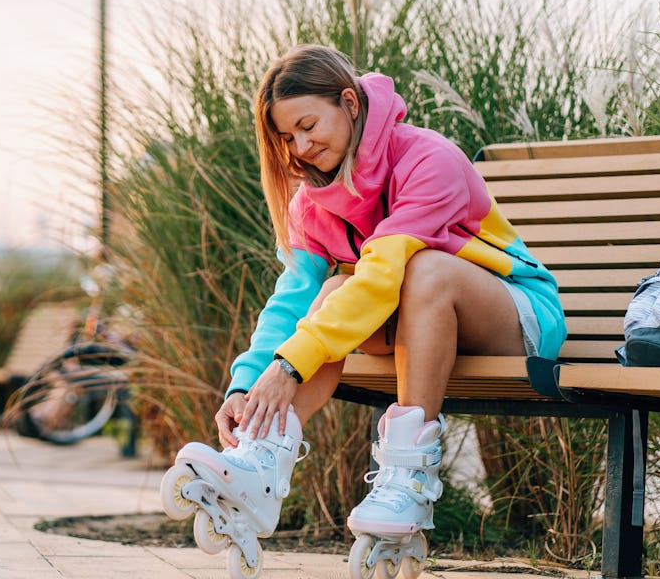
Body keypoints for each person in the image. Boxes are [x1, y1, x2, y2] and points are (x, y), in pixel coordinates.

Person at [178, 44, 566, 558]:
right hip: (416, 326)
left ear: (350, 103)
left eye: (309, 125)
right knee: (335, 288)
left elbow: (382, 278)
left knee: (422, 268)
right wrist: (248, 384)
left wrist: (290, 366)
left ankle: (407, 477)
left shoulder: (429, 159)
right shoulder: (311, 204)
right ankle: (261, 461)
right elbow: (292, 299)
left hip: (512, 317)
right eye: (286, 137)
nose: (300, 146)